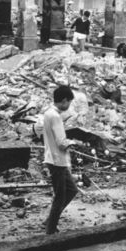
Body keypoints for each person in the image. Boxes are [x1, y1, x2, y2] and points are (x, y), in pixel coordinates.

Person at [42, 85, 80, 234]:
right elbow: (61, 142)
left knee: (72, 190)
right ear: (64, 101)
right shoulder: (56, 116)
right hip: (57, 161)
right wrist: (74, 143)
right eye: (69, 103)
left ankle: (50, 219)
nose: (69, 106)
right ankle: (50, 230)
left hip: (54, 159)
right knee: (60, 196)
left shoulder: (48, 113)